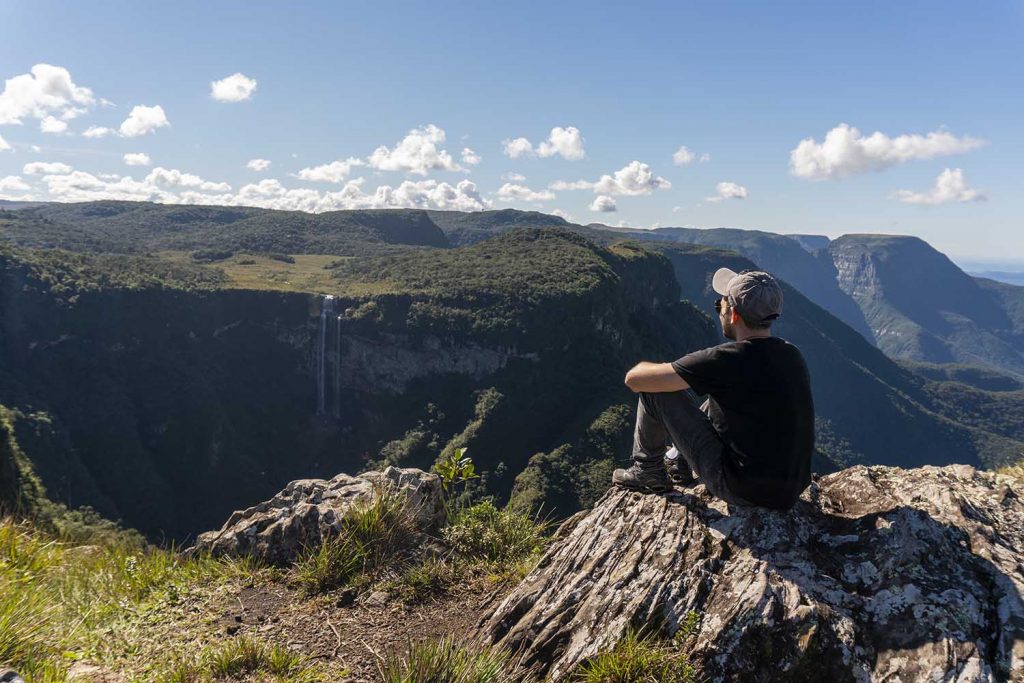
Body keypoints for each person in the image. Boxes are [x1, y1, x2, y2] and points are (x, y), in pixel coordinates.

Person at [612, 267, 814, 510]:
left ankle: (647, 470)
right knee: (721, 395)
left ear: (733, 315)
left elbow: (634, 380)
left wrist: (650, 365)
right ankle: (679, 460)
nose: (718, 308)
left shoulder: (724, 360)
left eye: (721, 304)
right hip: (792, 488)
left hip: (745, 490)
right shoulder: (792, 354)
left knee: (654, 393)